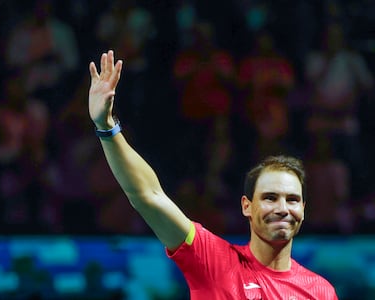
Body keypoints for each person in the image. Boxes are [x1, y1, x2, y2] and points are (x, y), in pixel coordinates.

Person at [88, 50, 338, 299]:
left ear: (303, 209)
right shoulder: (215, 263)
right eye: (270, 197)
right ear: (247, 206)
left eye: (292, 199)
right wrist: (107, 127)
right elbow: (149, 196)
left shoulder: (320, 292)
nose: (282, 208)